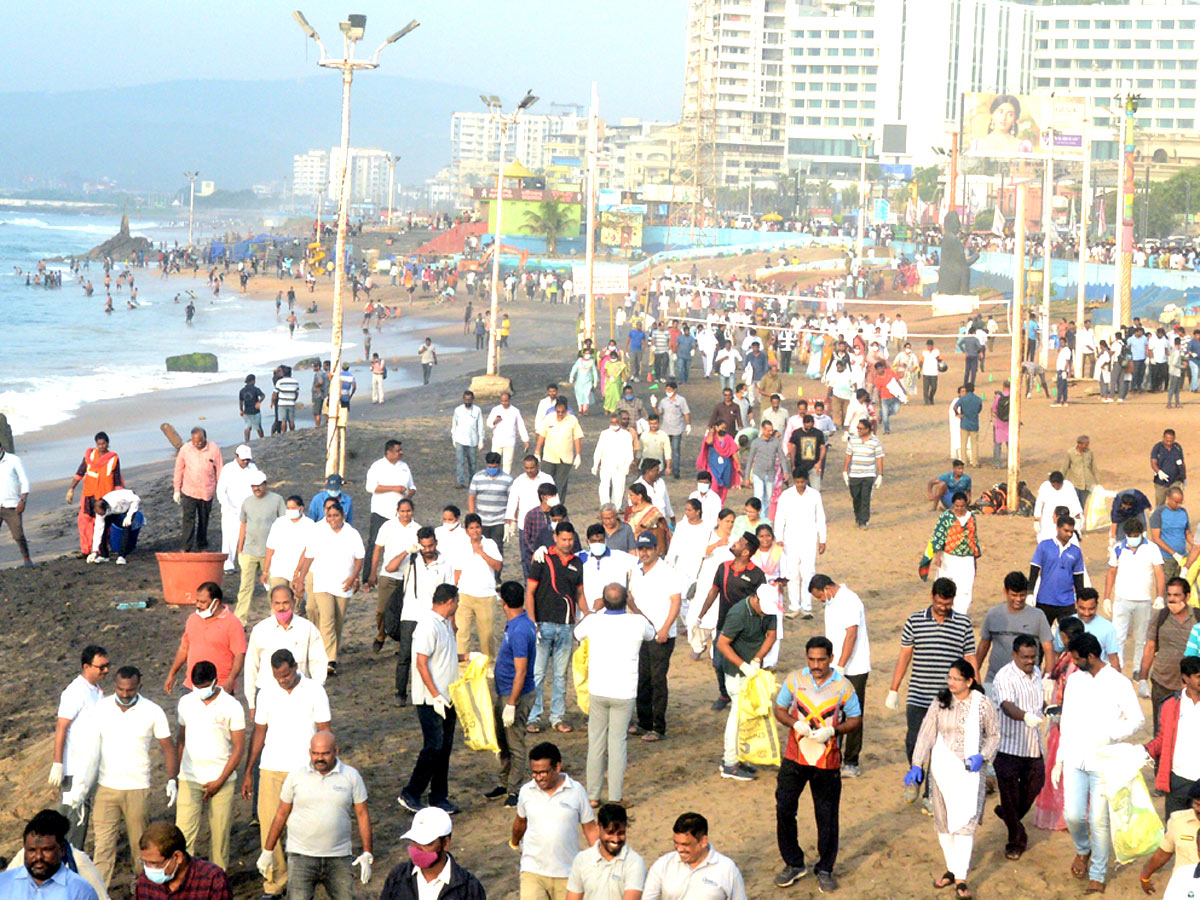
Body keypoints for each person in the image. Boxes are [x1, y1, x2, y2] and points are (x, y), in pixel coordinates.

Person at [771, 636, 862, 893]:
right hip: (794, 756)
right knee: (784, 808)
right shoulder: (794, 680)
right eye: (811, 659)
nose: (816, 664)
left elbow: (856, 718)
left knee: (827, 816)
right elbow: (779, 709)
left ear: (831, 658)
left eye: (821, 659)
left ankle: (824, 868)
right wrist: (792, 722)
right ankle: (793, 862)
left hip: (828, 760)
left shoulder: (844, 687)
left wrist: (833, 731)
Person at [1056, 632, 1145, 892]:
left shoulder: (1119, 682)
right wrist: (1060, 758)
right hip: (1075, 756)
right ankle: (1083, 849)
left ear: (1091, 656)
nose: (1073, 662)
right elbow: (1066, 720)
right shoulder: (1074, 681)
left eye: (1076, 658)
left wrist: (1113, 733)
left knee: (1099, 820)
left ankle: (1098, 873)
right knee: (1072, 815)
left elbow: (1137, 719)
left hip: (1104, 761)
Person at [241, 648, 332, 900]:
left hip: (306, 769)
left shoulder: (315, 690)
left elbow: (324, 730)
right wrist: (249, 770)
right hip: (270, 767)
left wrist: (328, 767)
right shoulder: (267, 693)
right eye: (277, 676)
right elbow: (259, 732)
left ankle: (303, 883)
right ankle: (274, 884)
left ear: (295, 666)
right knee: (269, 827)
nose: (282, 680)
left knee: (304, 828)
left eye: (286, 674)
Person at [905, 659, 999, 900]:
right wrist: (917, 763)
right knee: (944, 822)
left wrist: (984, 756)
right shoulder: (940, 702)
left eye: (957, 679)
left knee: (966, 823)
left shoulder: (982, 704)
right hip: (942, 770)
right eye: (949, 678)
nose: (951, 683)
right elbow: (926, 732)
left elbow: (994, 735)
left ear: (969, 681)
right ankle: (951, 868)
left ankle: (961, 877)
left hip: (970, 772)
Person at [91, 665, 178, 888]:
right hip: (105, 787)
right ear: (115, 686)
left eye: (130, 690)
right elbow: (88, 746)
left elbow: (168, 747)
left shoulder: (153, 711)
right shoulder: (101, 708)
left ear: (139, 687)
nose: (125, 694)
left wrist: (171, 779)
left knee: (140, 845)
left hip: (138, 787)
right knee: (103, 847)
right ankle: (99, 892)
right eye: (120, 689)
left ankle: (142, 888)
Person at [258, 732, 373, 900]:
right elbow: (281, 813)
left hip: (339, 857)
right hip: (301, 857)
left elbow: (362, 815)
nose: (320, 758)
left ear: (336, 751)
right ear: (310, 752)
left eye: (325, 753)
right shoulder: (296, 776)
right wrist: (267, 851)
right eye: (315, 753)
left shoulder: (351, 776)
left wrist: (367, 852)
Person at [885, 579, 977, 788]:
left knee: (940, 747)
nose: (943, 608)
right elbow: (905, 656)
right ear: (932, 597)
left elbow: (970, 658)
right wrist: (894, 689)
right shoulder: (915, 621)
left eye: (947, 604)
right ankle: (917, 776)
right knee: (913, 741)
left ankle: (930, 793)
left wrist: (976, 690)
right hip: (918, 694)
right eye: (939, 603)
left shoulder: (963, 624)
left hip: (948, 697)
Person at [573, 583, 653, 806]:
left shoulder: (595, 620)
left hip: (599, 689)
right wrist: (634, 607)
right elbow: (651, 632)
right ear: (625, 599)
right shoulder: (636, 622)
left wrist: (594, 610)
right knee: (618, 743)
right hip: (624, 691)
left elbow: (577, 633)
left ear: (603, 600)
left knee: (596, 743)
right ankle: (615, 796)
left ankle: (593, 796)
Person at [174, 662, 245, 871]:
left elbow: (239, 748)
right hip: (189, 777)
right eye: (196, 686)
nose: (200, 691)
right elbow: (181, 738)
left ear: (215, 681)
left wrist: (220, 781)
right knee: (184, 835)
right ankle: (184, 881)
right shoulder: (186, 702)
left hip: (222, 780)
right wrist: (177, 774)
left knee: (220, 836)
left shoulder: (231, 706)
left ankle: (218, 883)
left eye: (204, 686)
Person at [399, 584, 462, 815]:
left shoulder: (445, 624)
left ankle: (438, 796)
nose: (458, 605)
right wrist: (434, 694)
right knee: (433, 746)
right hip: (430, 698)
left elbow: (445, 656)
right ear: (449, 602)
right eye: (456, 601)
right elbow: (421, 662)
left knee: (444, 747)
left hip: (447, 696)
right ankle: (411, 792)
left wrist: (467, 657)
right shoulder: (428, 625)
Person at [510, 741, 598, 900]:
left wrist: (602, 857)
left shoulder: (576, 791)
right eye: (534, 773)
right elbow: (520, 821)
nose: (538, 778)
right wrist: (514, 842)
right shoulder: (526, 792)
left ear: (557, 767)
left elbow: (590, 828)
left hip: (567, 874)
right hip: (532, 871)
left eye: (543, 772)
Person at [481, 582, 538, 808]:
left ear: (503, 602)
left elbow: (521, 671)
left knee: (515, 743)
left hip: (515, 695)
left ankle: (514, 789)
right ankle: (505, 783)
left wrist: (512, 703)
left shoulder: (520, 630)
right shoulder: (518, 624)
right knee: (503, 742)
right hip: (505, 692)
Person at [525, 523, 585, 734]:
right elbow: (530, 592)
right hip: (543, 624)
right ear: (555, 538)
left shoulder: (578, 563)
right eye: (564, 539)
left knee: (560, 676)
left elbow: (579, 594)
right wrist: (533, 623)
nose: (567, 543)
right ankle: (533, 717)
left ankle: (557, 717)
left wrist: (587, 616)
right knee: (538, 674)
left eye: (570, 540)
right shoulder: (542, 560)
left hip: (566, 626)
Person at [991, 634, 1047, 861]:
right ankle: (1015, 839)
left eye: (1033, 657)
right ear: (1014, 655)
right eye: (1025, 657)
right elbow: (1007, 706)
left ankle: (1008, 813)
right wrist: (1025, 717)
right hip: (1008, 746)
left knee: (1035, 785)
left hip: (1033, 745)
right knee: (1009, 791)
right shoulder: (1004, 677)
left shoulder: (1038, 674)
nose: (1030, 661)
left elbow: (1039, 701)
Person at [292, 501, 364, 676]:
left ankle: (332, 655)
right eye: (329, 516)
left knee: (338, 621)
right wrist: (301, 580)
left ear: (343, 516)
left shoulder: (352, 534)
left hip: (343, 584)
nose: (332, 519)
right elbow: (308, 557)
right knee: (327, 619)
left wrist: (353, 578)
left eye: (336, 515)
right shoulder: (319, 532)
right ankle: (328, 660)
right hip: (322, 582)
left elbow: (359, 558)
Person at [809, 576, 871, 777]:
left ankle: (851, 761)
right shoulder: (832, 603)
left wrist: (842, 665)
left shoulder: (850, 601)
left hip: (854, 668)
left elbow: (851, 634)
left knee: (853, 713)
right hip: (835, 667)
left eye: (820, 596)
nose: (820, 601)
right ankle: (834, 756)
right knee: (834, 712)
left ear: (827, 588)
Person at [714, 584, 777, 781]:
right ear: (755, 599)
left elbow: (771, 635)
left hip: (753, 671)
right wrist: (743, 666)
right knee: (737, 716)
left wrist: (757, 659)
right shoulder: (738, 613)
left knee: (746, 717)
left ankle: (739, 757)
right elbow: (722, 644)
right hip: (736, 673)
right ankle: (730, 762)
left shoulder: (768, 609)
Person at [50, 645, 109, 848]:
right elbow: (61, 727)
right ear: (86, 666)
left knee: (80, 817)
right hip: (74, 768)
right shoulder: (75, 692)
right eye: (101, 667)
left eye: (107, 666)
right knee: (71, 819)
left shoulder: (96, 692)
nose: (105, 671)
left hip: (88, 767)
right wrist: (58, 763)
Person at [628, 532, 682, 742]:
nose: (645, 553)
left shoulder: (667, 571)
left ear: (656, 549)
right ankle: (644, 722)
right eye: (641, 549)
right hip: (642, 633)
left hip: (662, 633)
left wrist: (665, 628)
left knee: (657, 679)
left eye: (648, 549)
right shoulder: (635, 570)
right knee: (642, 678)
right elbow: (631, 598)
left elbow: (675, 602)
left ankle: (658, 727)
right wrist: (638, 616)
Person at [394, 528, 455, 704]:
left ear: (436, 543)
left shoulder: (445, 563)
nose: (428, 550)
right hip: (411, 614)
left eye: (430, 545)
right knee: (405, 655)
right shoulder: (411, 559)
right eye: (424, 546)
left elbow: (450, 593)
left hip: (434, 616)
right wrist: (407, 551)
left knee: (431, 655)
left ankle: (428, 691)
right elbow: (390, 567)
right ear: (419, 544)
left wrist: (452, 620)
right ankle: (400, 692)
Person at [244, 585, 327, 713]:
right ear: (271, 604)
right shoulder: (260, 630)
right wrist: (251, 702)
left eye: (286, 603)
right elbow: (251, 666)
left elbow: (318, 663)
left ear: (294, 602)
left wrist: (316, 693)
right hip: (268, 695)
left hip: (300, 694)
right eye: (277, 603)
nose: (281, 608)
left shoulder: (307, 628)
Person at [378, 806, 486, 900]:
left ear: (446, 844)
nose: (418, 848)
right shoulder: (398, 877)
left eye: (426, 843)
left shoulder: (469, 888)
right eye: (414, 841)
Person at [163, 580, 246, 697]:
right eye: (197, 601)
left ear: (215, 602)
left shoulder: (233, 623)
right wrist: (172, 674)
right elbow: (184, 648)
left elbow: (239, 654)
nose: (198, 605)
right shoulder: (192, 619)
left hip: (219, 687)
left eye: (202, 602)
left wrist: (230, 681)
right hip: (190, 686)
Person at [1105, 518, 1166, 674]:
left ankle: (1138, 670)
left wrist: (1160, 596)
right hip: (1121, 599)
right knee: (1118, 638)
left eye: (1136, 535)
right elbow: (1112, 572)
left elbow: (1159, 572)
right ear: (1126, 534)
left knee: (1142, 639)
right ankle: (1116, 670)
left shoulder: (1151, 548)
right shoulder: (1118, 547)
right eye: (1131, 535)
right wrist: (1106, 597)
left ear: (1141, 534)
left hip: (1144, 600)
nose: (1134, 538)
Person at [974, 572, 1054, 687]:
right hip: (995, 680)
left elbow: (1048, 647)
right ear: (1005, 592)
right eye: (1014, 595)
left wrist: (1048, 677)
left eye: (1022, 595)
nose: (1018, 599)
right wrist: (974, 673)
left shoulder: (1038, 616)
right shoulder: (993, 614)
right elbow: (983, 646)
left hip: (1028, 682)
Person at [641, 812, 746, 900]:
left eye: (685, 844)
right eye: (676, 843)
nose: (679, 849)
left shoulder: (727, 869)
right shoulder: (663, 865)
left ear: (703, 841)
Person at [0, 810, 100, 900]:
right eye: (32, 850)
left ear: (62, 849)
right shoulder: (4, 883)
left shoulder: (81, 891)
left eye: (46, 850)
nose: (38, 856)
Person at [1145, 656, 1200, 819]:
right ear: (1185, 677)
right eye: (1198, 676)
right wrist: (1145, 750)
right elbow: (1162, 739)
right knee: (1176, 829)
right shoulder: (1171, 704)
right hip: (1178, 779)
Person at [1142, 578, 1200, 732]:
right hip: (1163, 682)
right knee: (1161, 730)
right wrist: (1142, 678)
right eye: (1169, 595)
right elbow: (1150, 647)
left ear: (1187, 597)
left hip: (1192, 685)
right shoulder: (1160, 617)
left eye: (1177, 595)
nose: (1172, 599)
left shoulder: (1198, 617)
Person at [566, 802, 647, 900]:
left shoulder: (634, 862)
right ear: (598, 829)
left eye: (621, 833)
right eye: (610, 833)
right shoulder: (582, 860)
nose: (616, 839)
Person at [774, 468, 825, 620]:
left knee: (808, 572)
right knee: (792, 573)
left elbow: (820, 518)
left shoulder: (814, 495)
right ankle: (794, 606)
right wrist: (779, 537)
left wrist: (822, 539)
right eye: (797, 482)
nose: (800, 485)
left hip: (809, 539)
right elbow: (779, 517)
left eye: (802, 482)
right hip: (790, 539)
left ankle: (807, 607)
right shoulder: (786, 495)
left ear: (807, 481)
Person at [235, 472, 286, 623]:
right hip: (249, 551)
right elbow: (243, 524)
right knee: (245, 587)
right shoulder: (247, 502)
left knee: (273, 588)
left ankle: (275, 619)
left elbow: (284, 524)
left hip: (270, 553)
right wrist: (240, 548)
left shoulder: (277, 500)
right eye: (253, 486)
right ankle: (240, 619)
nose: (256, 488)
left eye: (259, 485)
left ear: (265, 484)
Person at [134, 821, 231, 900]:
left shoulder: (212, 880)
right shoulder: (145, 881)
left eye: (154, 864)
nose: (149, 869)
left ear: (177, 857)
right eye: (144, 862)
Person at [364, 440, 417, 579]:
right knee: (374, 544)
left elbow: (412, 486)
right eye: (398, 450)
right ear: (389, 452)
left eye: (401, 450)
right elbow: (370, 487)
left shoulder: (404, 466)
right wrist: (393, 488)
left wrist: (409, 494)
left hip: (400, 514)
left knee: (402, 543)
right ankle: (368, 577)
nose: (401, 453)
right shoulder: (377, 467)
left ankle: (401, 573)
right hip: (381, 511)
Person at [453, 513, 502, 662]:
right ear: (467, 530)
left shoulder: (490, 544)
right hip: (465, 594)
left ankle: (489, 665)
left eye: (477, 527)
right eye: (471, 528)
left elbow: (497, 565)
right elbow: (457, 571)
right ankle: (461, 667)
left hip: (485, 595)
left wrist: (481, 553)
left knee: (487, 635)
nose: (475, 531)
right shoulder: (461, 546)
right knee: (462, 634)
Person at [66, 432, 122, 560]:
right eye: (99, 444)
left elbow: (117, 479)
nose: (101, 446)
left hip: (105, 496)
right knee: (85, 522)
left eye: (103, 444)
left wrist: (118, 497)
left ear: (108, 443)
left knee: (102, 523)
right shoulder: (89, 456)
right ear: (96, 444)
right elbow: (80, 472)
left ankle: (101, 550)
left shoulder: (113, 458)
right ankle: (86, 550)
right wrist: (71, 489)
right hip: (88, 494)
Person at [1138, 783, 1200, 894]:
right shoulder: (1179, 821)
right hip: (1185, 889)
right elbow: (1163, 853)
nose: (1199, 810)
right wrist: (1145, 875)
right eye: (1197, 804)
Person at [930, 492, 981, 614]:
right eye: (956, 506)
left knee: (965, 587)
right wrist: (938, 557)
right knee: (945, 586)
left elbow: (973, 539)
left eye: (962, 506)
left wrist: (974, 559)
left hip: (967, 558)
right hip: (948, 557)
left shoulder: (971, 518)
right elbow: (938, 536)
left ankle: (961, 613)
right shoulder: (946, 516)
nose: (959, 509)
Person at [173, 427, 223, 553]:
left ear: (205, 438)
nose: (197, 444)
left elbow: (219, 469)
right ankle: (185, 546)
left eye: (200, 441)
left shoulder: (214, 448)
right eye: (195, 442)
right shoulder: (185, 449)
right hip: (189, 490)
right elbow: (178, 470)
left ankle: (202, 544)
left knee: (204, 518)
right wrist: (176, 490)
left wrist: (221, 489)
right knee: (188, 519)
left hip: (207, 490)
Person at [1029, 516, 1086, 625]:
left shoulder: (1076, 551)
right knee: (1040, 637)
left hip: (1067, 602)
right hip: (1045, 600)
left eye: (1071, 531)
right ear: (1057, 528)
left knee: (1070, 636)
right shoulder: (1044, 546)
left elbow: (1078, 578)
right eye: (1066, 531)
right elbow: (1035, 569)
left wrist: (1080, 600)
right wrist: (1030, 592)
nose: (1069, 534)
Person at [215, 444, 257, 573]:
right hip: (231, 510)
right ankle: (228, 563)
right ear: (236, 457)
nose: (245, 462)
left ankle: (248, 562)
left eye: (247, 459)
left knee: (249, 537)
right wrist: (228, 506)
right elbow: (221, 491)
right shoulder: (228, 469)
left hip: (249, 509)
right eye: (243, 459)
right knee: (230, 537)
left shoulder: (253, 468)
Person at [536, 398, 584, 499]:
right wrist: (537, 451)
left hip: (565, 458)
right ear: (555, 410)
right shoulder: (549, 418)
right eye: (558, 412)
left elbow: (577, 437)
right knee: (545, 483)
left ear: (566, 410)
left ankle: (558, 507)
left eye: (563, 412)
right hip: (549, 457)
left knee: (560, 485)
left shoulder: (572, 420)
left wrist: (578, 454)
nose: (560, 414)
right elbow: (542, 435)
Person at [843, 419, 883, 530]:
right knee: (856, 497)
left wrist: (880, 474)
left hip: (868, 474)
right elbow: (848, 456)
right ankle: (857, 515)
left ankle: (863, 521)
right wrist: (845, 471)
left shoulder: (875, 441)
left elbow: (879, 457)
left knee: (865, 498)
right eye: (858, 428)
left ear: (867, 429)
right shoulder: (853, 440)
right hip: (855, 474)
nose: (858, 430)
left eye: (861, 428)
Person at [593, 414, 636, 508]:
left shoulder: (626, 435)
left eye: (616, 422)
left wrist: (626, 466)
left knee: (619, 489)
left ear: (619, 422)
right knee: (604, 486)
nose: (614, 424)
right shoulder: (605, 433)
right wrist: (595, 464)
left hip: (620, 467)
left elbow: (630, 453)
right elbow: (599, 449)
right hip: (606, 465)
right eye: (612, 422)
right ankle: (605, 507)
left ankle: (615, 509)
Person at [89, 488, 142, 565]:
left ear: (106, 508)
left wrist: (129, 516)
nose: (101, 516)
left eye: (102, 514)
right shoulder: (100, 512)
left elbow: (136, 499)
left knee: (126, 528)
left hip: (126, 509)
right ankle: (104, 555)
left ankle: (122, 556)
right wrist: (94, 551)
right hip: (112, 513)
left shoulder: (117, 499)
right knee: (103, 530)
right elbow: (98, 530)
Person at [1150, 486, 1192, 583]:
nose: (1179, 505)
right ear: (1168, 499)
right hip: (1166, 559)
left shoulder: (1183, 512)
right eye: (1176, 502)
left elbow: (1188, 533)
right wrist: (1173, 553)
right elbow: (1156, 538)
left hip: (1182, 558)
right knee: (1166, 587)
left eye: (1181, 502)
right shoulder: (1159, 513)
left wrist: (1195, 545)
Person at [0, 442, 32, 565]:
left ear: (1, 449)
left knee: (18, 535)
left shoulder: (13, 460)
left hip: (12, 505)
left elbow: (24, 481)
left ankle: (26, 558)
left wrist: (23, 500)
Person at [488, 392, 531, 474]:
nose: (504, 403)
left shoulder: (515, 411)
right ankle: (494, 478)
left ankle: (505, 481)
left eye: (506, 401)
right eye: (502, 401)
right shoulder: (495, 410)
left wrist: (525, 440)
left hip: (510, 441)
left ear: (510, 400)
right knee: (494, 461)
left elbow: (521, 426)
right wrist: (495, 421)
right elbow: (489, 424)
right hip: (497, 441)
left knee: (507, 463)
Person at [658, 382, 692, 479]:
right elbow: (659, 412)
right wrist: (653, 406)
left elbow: (686, 413)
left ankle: (676, 470)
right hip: (665, 429)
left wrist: (688, 424)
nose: (668, 391)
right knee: (664, 449)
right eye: (666, 389)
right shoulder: (664, 401)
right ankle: (663, 468)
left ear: (675, 390)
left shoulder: (681, 400)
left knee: (676, 450)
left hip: (677, 429)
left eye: (669, 389)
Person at [1151, 430, 1187, 509]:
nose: (1169, 443)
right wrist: (1159, 472)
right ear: (1163, 438)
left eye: (1171, 441)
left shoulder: (1177, 448)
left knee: (1175, 502)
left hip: (1175, 480)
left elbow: (1181, 462)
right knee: (1160, 504)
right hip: (1161, 482)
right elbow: (1153, 462)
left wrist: (1184, 477)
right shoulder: (1157, 448)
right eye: (1167, 440)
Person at [1063, 436, 1099, 515]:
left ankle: (1079, 525)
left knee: (1081, 506)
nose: (1087, 446)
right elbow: (1064, 468)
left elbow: (1094, 468)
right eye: (1085, 445)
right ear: (1079, 444)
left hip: (1086, 484)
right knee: (1073, 505)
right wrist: (1061, 481)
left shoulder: (1089, 453)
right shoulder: (1070, 453)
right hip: (1074, 484)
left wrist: (1098, 483)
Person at [952, 383, 983, 468]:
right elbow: (979, 409)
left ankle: (964, 461)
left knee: (963, 444)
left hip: (964, 422)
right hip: (974, 423)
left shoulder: (963, 398)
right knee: (974, 444)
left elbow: (955, 407)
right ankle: (975, 462)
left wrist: (958, 414)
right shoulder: (978, 399)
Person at [271, 366, 300, 433]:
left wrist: (272, 401)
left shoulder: (280, 382)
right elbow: (296, 393)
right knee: (291, 420)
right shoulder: (295, 382)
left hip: (282, 403)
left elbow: (275, 394)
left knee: (283, 421)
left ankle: (284, 432)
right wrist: (294, 399)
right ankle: (292, 431)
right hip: (291, 402)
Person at [239, 375, 266, 441]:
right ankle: (262, 438)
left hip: (246, 411)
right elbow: (263, 395)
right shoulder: (255, 389)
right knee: (258, 427)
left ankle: (247, 440)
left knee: (248, 427)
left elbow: (241, 402)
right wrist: (259, 402)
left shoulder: (242, 390)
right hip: (255, 411)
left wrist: (241, 410)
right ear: (253, 381)